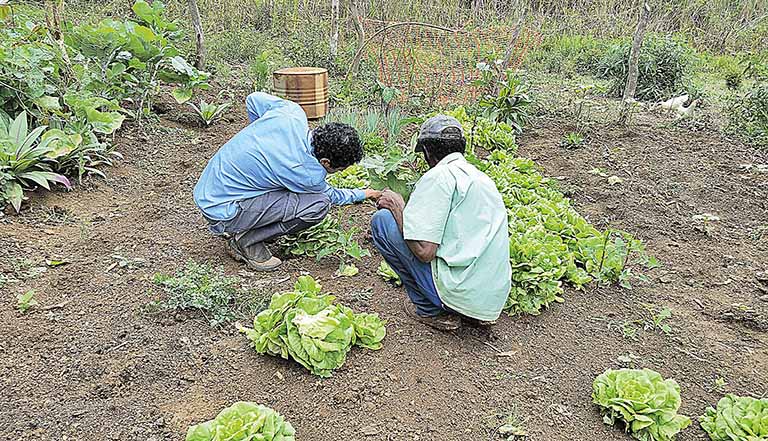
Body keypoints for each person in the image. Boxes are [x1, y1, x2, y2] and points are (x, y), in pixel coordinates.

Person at [194, 92, 381, 271]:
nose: (335, 172)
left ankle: (249, 226)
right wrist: (365, 193)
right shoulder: (306, 173)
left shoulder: (291, 113)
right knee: (318, 204)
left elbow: (253, 99)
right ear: (325, 162)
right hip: (224, 211)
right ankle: (246, 241)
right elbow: (331, 196)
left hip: (208, 190)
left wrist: (258, 134)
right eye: (338, 169)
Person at [371, 115, 511, 331]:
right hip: (490, 301)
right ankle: (471, 313)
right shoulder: (483, 179)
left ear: (427, 151)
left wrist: (398, 209)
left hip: (457, 294)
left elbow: (424, 251)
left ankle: (429, 310)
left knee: (383, 221)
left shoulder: (439, 176)